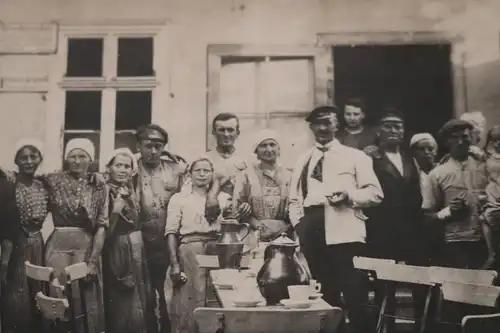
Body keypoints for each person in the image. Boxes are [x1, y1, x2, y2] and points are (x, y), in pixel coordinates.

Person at [289, 105, 383, 333]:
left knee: (354, 294)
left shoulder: (355, 157)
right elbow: (294, 200)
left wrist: (349, 196)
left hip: (345, 232)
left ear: (336, 125)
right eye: (317, 123)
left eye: (328, 122)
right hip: (312, 230)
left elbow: (375, 194)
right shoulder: (304, 159)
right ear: (311, 127)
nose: (322, 128)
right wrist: (300, 226)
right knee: (324, 296)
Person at [363, 110, 427, 333]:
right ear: (378, 131)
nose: (393, 130)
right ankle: (385, 329)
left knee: (419, 283)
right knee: (384, 286)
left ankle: (421, 327)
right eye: (388, 126)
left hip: (412, 229)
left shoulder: (410, 159)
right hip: (383, 230)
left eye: (398, 126)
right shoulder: (370, 157)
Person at [44, 138, 108, 333]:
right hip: (58, 246)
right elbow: (26, 175)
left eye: (82, 156)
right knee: (58, 295)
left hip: (86, 246)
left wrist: (93, 261)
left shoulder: (98, 184)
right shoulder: (52, 180)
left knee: (85, 297)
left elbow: (101, 225)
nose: (77, 161)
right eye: (72, 156)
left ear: (91, 159)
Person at [166, 157, 230, 333]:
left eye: (206, 170)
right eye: (198, 170)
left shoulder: (223, 198)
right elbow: (171, 232)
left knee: (215, 294)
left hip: (216, 249)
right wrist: (174, 264)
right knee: (191, 298)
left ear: (212, 174)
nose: (202, 174)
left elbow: (230, 225)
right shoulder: (179, 198)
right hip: (189, 251)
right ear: (189, 174)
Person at [134, 124, 188, 333]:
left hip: (169, 242)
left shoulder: (176, 169)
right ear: (138, 146)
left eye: (159, 146)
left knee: (169, 297)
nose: (153, 151)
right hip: (140, 242)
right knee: (144, 298)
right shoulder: (130, 167)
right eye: (148, 146)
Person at [422, 119, 489, 269]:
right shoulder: (437, 174)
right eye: (454, 138)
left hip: (488, 240)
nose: (460, 142)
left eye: (464, 137)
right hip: (457, 242)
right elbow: (427, 216)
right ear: (446, 142)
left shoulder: (486, 168)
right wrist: (448, 212)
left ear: (471, 138)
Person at [103, 148, 157, 333]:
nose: (123, 170)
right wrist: (116, 210)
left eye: (127, 166)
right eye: (118, 165)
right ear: (109, 168)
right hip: (118, 247)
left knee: (141, 297)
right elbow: (105, 231)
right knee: (122, 296)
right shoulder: (104, 189)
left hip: (137, 247)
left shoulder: (128, 189)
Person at [1, 139, 49, 333]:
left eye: (33, 156)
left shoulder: (44, 184)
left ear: (40, 159)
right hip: (15, 244)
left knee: (37, 294)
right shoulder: (8, 183)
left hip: (38, 243)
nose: (29, 161)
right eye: (23, 157)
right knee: (16, 296)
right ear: (16, 161)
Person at [232, 129, 292, 242]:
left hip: (285, 234)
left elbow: (296, 206)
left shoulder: (290, 176)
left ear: (278, 149)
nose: (268, 149)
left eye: (272, 145)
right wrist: (258, 226)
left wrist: (284, 229)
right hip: (253, 233)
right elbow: (237, 208)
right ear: (256, 151)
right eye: (263, 146)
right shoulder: (245, 175)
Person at [480, 126, 500, 271]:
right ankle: (491, 252)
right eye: (495, 140)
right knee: (485, 217)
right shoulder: (487, 158)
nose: (498, 143)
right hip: (493, 190)